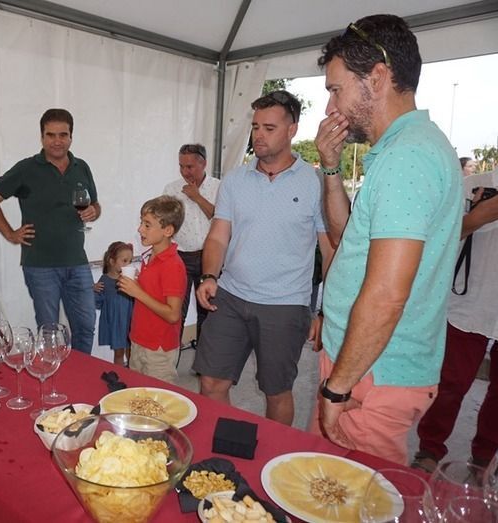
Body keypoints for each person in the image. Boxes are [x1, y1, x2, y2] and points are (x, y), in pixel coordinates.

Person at [312, 14, 463, 464]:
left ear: (376, 77)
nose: (330, 108)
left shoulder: (407, 158)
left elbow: (386, 295)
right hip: (363, 364)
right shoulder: (405, 148)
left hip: (371, 373)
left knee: (350, 490)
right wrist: (331, 168)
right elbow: (346, 240)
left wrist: (337, 389)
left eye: (336, 90)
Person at [193, 90, 334, 426]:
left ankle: (275, 453)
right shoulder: (235, 180)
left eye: (269, 128)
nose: (259, 135)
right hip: (230, 295)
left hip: (286, 305)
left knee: (276, 391)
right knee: (211, 382)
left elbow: (330, 249)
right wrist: (209, 276)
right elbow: (218, 236)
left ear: (292, 130)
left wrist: (325, 311)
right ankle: (221, 446)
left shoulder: (316, 183)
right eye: (256, 127)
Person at [0, 108, 99, 354]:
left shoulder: (82, 167)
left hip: (78, 263)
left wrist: (93, 211)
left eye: (63, 135)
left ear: (71, 137)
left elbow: (95, 205)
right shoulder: (26, 169)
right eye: (50, 135)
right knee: (49, 332)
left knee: (86, 327)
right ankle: (53, 375)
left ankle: (81, 373)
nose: (57, 141)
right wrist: (10, 234)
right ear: (42, 137)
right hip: (41, 267)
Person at [412, 170, 498, 472]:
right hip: (469, 303)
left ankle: (484, 458)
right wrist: (478, 216)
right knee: (450, 385)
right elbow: (439, 237)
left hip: (475, 303)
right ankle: (429, 450)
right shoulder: (473, 186)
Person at [117, 195, 186, 383]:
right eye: (141, 222)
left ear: (168, 230)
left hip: (158, 349)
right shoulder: (150, 256)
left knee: (157, 397)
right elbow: (153, 294)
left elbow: (172, 314)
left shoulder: (172, 265)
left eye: (147, 225)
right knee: (137, 393)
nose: (140, 229)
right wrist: (136, 285)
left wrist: (137, 292)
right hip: (139, 340)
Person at [163, 143, 220, 346]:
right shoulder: (171, 189)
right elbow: (164, 224)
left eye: (190, 167)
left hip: (210, 257)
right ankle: (172, 359)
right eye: (181, 166)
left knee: (209, 313)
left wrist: (197, 197)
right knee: (177, 311)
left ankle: (205, 361)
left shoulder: (219, 187)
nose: (185, 172)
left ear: (203, 164)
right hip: (180, 257)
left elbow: (222, 219)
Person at [94, 241, 134, 366]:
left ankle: (132, 374)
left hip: (131, 322)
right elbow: (97, 302)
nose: (128, 265)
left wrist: (139, 281)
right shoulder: (105, 280)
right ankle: (120, 375)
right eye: (124, 261)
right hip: (116, 325)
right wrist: (92, 289)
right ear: (112, 261)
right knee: (119, 353)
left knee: (132, 353)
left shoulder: (130, 280)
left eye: (130, 261)